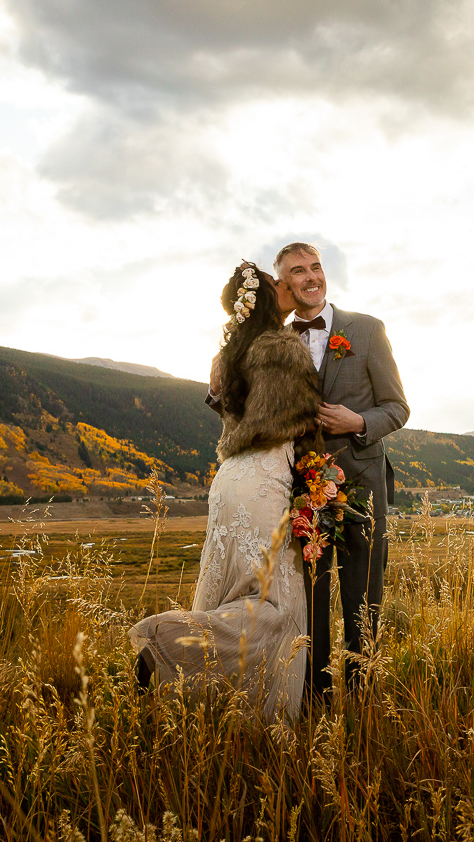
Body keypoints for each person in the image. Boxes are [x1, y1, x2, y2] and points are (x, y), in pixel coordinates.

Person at [129, 263, 320, 721]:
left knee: (225, 587)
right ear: (264, 296)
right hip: (265, 476)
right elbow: (294, 417)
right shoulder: (280, 346)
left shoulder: (228, 354)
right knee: (276, 605)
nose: (286, 286)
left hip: (230, 478)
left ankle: (208, 706)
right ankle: (168, 639)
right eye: (277, 283)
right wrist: (318, 475)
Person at [274, 241, 409, 698]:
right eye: (298, 271)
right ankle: (314, 697)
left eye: (316, 267)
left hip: (363, 487)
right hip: (300, 491)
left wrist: (360, 422)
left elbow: (398, 407)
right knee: (310, 599)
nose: (311, 276)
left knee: (362, 598)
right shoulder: (275, 344)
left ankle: (364, 696)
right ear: (285, 285)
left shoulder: (367, 331)